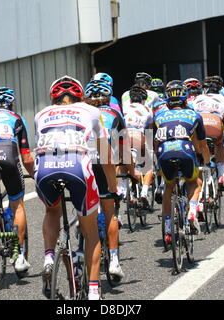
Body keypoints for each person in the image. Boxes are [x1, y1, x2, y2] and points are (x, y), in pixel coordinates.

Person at [34, 75, 116, 300]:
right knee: (90, 233)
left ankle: (49, 258)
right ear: (80, 95)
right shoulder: (90, 111)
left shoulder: (40, 114)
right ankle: (92, 290)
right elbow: (105, 153)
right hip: (77, 166)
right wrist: (112, 185)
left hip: (45, 168)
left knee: (52, 210)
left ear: (53, 97)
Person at [83, 80, 137, 282]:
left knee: (84, 210)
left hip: (81, 163)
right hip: (103, 163)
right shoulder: (115, 114)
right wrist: (132, 172)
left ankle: (80, 256)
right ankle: (114, 261)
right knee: (109, 211)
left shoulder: (81, 113)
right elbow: (124, 148)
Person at [0, 87, 34, 275]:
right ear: (11, 103)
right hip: (8, 158)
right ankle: (18, 257)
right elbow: (26, 157)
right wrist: (34, 174)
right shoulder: (16, 118)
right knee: (17, 204)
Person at [153, 80, 211, 238]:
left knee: (169, 187)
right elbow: (202, 145)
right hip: (184, 149)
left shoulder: (158, 115)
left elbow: (155, 142)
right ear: (185, 100)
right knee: (195, 182)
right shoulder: (193, 114)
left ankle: (167, 226)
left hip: (164, 151)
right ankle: (192, 209)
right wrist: (206, 161)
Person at [192, 76, 224, 191]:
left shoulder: (197, 98)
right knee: (219, 144)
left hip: (200, 125)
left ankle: (199, 182)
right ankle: (221, 174)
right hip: (215, 124)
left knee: (199, 150)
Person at [121, 85, 154, 207]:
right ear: (143, 99)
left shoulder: (123, 108)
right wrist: (150, 148)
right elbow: (149, 130)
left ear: (130, 99)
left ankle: (124, 190)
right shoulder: (147, 109)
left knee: (122, 161)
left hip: (124, 137)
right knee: (148, 166)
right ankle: (144, 192)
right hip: (139, 136)